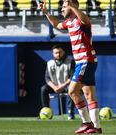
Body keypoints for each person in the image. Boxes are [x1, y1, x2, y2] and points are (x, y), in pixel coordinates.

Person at [39, 0, 102, 134]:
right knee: (89, 95)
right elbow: (57, 24)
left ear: (72, 6)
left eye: (64, 6)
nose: (61, 9)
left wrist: (73, 7)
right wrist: (46, 14)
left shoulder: (81, 20)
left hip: (85, 60)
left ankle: (87, 123)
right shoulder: (69, 22)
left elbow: (85, 19)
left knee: (72, 91)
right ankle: (97, 128)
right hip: (85, 61)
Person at [41, 45, 75, 120]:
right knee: (44, 89)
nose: (58, 54)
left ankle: (70, 113)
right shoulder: (49, 63)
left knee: (72, 89)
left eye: (60, 52)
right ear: (53, 54)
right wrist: (54, 87)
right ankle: (46, 111)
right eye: (56, 53)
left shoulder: (70, 61)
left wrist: (62, 86)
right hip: (55, 86)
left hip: (66, 85)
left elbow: (72, 77)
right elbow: (47, 78)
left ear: (63, 52)